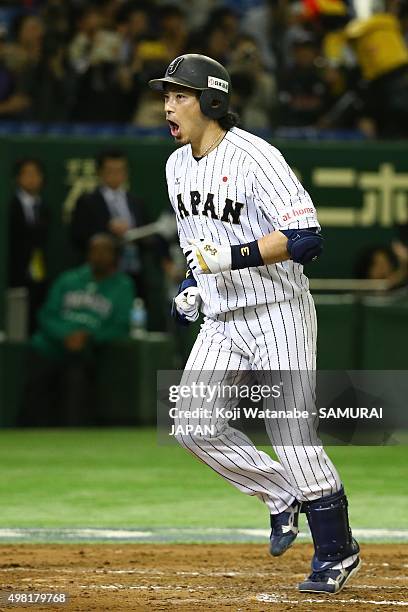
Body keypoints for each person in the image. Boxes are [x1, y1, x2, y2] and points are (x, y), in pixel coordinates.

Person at [149, 53, 361, 594]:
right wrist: (193, 288)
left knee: (292, 434)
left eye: (179, 95)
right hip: (222, 317)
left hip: (277, 312)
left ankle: (337, 551)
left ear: (212, 101)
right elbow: (197, 247)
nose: (168, 105)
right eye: (166, 95)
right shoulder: (176, 166)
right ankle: (279, 495)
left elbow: (307, 239)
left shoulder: (256, 156)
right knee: (193, 426)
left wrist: (231, 258)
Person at [19, 234, 134, 426]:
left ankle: (74, 431)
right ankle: (29, 429)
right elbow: (47, 315)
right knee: (39, 371)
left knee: (76, 379)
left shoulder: (123, 285)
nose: (99, 256)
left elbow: (121, 325)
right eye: (94, 251)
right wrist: (66, 335)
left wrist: (89, 337)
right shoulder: (68, 279)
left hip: (87, 352)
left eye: (104, 252)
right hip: (51, 347)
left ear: (114, 256)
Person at [8, 158, 49, 334]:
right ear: (18, 178)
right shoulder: (10, 205)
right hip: (14, 270)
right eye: (27, 174)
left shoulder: (44, 207)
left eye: (36, 174)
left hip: (38, 270)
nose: (32, 179)